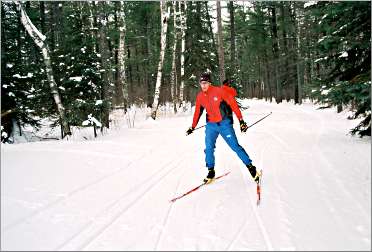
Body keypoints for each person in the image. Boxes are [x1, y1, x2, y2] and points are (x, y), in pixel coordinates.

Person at [186, 72, 260, 184]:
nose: (203, 85)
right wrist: (192, 126)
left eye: (205, 83)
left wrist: (241, 121)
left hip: (224, 124)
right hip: (211, 125)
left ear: (209, 83)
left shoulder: (219, 91)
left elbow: (233, 104)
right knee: (209, 148)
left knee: (235, 146)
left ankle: (251, 168)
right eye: (201, 83)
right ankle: (211, 171)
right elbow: (198, 112)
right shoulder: (200, 96)